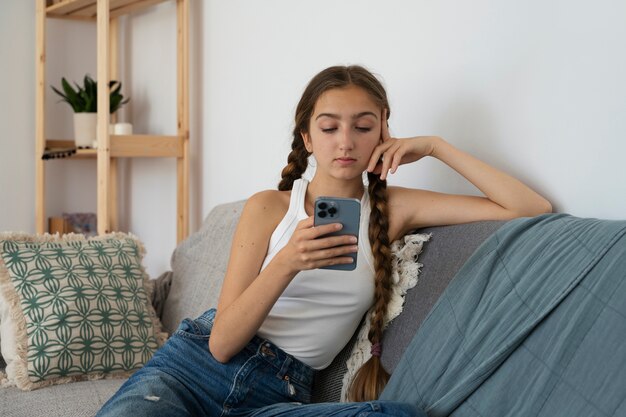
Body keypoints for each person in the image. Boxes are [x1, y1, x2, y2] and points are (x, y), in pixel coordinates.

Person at [97, 65, 551, 417]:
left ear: (384, 129)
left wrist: (434, 146)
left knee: (398, 414)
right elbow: (221, 345)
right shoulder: (269, 208)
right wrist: (287, 262)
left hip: (279, 394)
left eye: (363, 126)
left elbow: (529, 208)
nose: (346, 142)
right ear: (307, 137)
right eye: (330, 127)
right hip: (191, 372)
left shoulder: (394, 209)